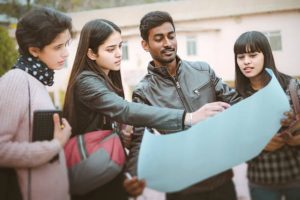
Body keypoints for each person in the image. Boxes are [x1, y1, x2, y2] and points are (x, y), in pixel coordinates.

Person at [62, 18, 227, 200]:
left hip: (106, 170)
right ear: (91, 54)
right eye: (110, 49)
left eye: (120, 46)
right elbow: (125, 110)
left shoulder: (105, 79)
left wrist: (120, 136)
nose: (118, 54)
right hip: (93, 176)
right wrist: (188, 118)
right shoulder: (86, 81)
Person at [124, 11, 242, 200]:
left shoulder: (203, 71)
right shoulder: (143, 92)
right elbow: (140, 141)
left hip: (222, 182)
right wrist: (133, 175)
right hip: (181, 189)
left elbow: (236, 103)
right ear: (145, 45)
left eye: (171, 36)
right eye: (159, 38)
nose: (168, 43)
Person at [0, 7, 72, 200]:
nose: (66, 53)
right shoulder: (16, 81)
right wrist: (55, 145)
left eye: (67, 43)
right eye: (58, 47)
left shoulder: (37, 80)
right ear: (34, 50)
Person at [233, 31, 300, 200]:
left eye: (253, 55)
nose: (246, 61)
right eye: (241, 57)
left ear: (266, 55)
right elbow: (235, 142)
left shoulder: (292, 87)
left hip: (296, 177)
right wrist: (259, 144)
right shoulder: (237, 96)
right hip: (261, 181)